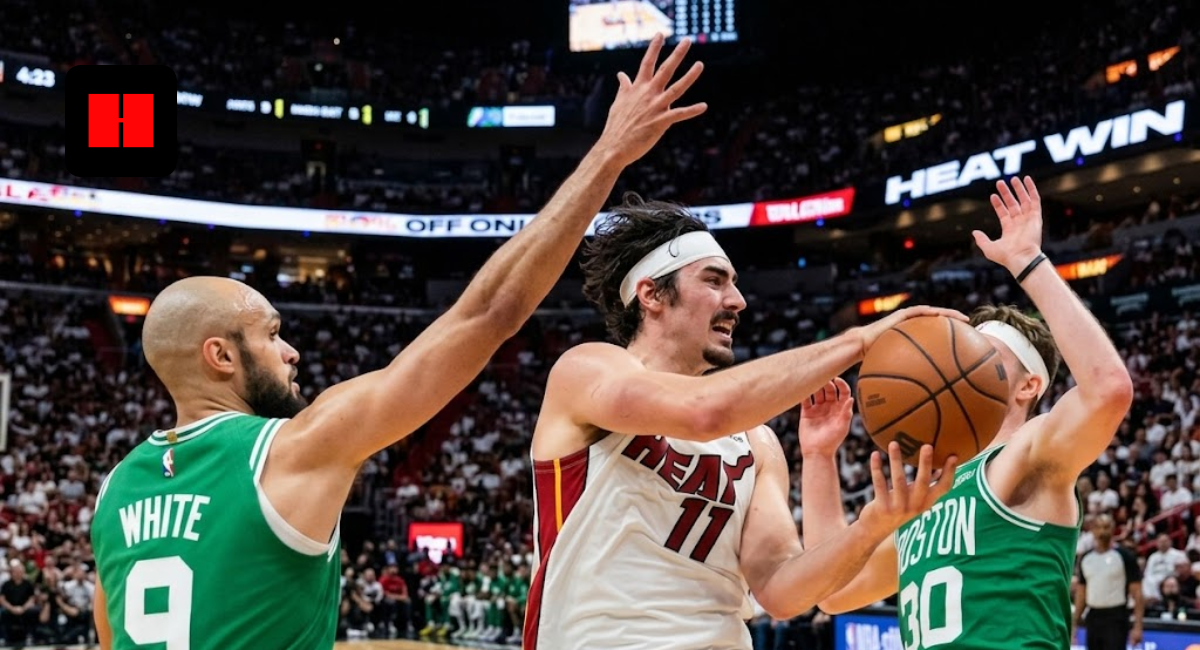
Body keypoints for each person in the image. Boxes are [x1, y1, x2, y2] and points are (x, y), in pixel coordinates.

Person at [88, 33, 709, 650]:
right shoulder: (293, 447)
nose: (291, 351)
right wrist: (608, 154)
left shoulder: (115, 491)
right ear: (220, 356)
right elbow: (489, 313)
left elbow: (116, 636)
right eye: (273, 335)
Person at [526, 193, 963, 649]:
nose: (737, 301)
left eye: (733, 284)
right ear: (652, 294)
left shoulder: (757, 442)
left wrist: (871, 527)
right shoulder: (587, 370)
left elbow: (781, 591)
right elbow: (703, 411)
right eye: (714, 281)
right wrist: (859, 341)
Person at [800, 177, 1135, 649]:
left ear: (1029, 386)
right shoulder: (927, 495)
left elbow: (1108, 389)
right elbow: (832, 590)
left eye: (985, 357)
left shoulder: (1027, 453)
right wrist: (818, 457)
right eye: (961, 355)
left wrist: (1026, 262)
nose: (963, 366)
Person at [1074, 514, 1144, 650]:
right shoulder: (1086, 558)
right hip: (1093, 616)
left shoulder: (1125, 556)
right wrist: (1074, 623)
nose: (1103, 532)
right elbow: (1081, 594)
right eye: (1099, 527)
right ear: (1092, 530)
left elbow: (1138, 594)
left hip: (1116, 617)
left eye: (1106, 527)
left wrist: (1138, 626)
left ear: (1113, 529)